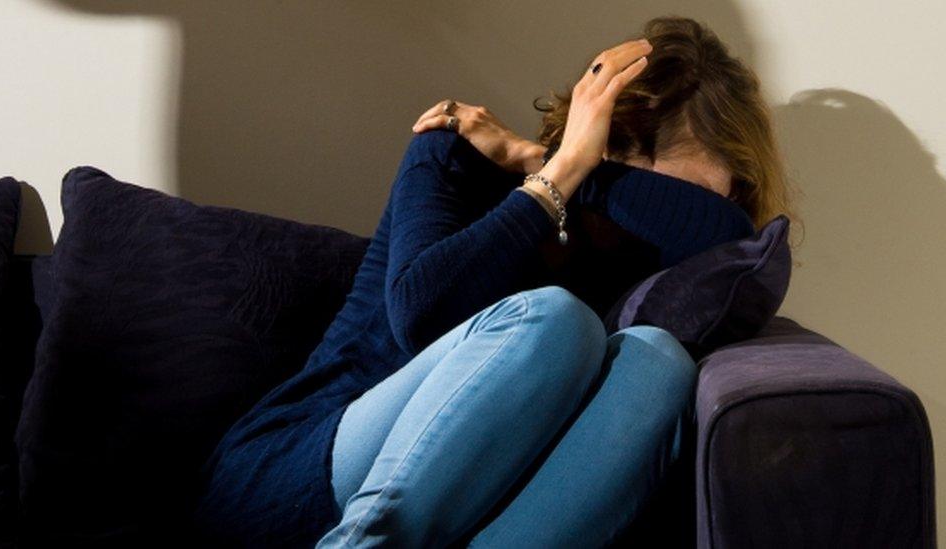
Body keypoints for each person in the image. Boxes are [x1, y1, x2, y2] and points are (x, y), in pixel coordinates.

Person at [192, 16, 800, 548]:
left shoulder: (666, 244)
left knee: (660, 359)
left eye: (678, 195)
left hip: (457, 515)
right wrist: (560, 172)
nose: (654, 212)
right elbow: (421, 317)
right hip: (296, 469)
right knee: (554, 320)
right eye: (643, 183)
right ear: (605, 144)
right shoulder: (455, 155)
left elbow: (725, 233)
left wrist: (539, 158)